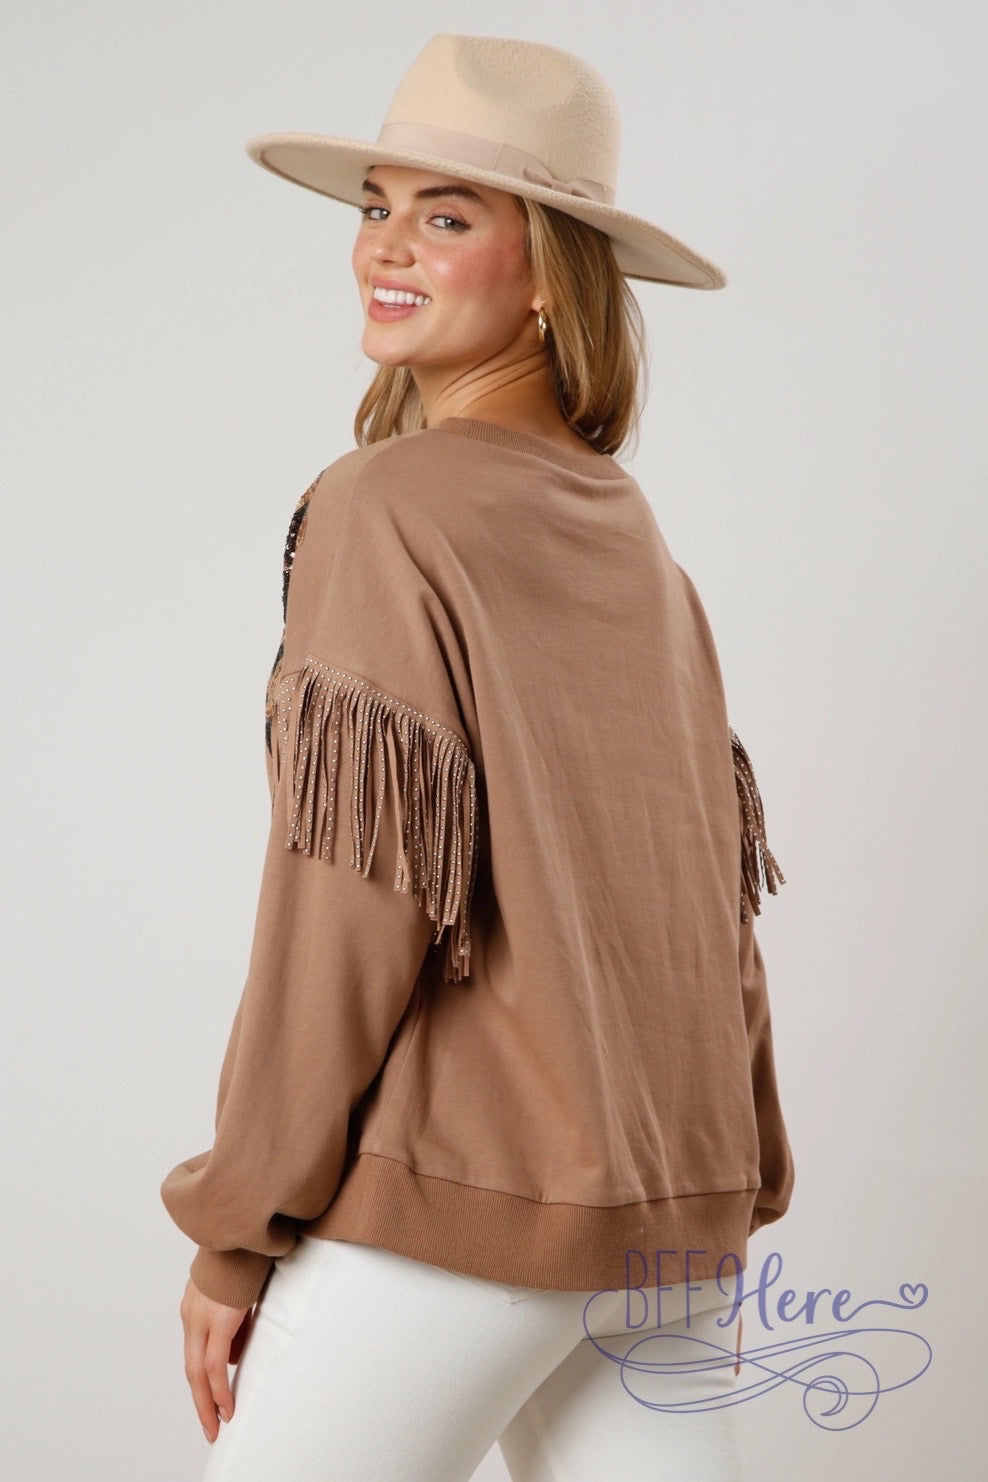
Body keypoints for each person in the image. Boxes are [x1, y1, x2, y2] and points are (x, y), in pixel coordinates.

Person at [160, 33, 795, 1482]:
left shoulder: (385, 506)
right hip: (670, 1225)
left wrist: (234, 1227)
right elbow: (710, 892)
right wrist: (739, 1170)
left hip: (462, 1217)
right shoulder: (629, 529)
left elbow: (345, 908)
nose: (385, 246)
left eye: (445, 216)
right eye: (376, 206)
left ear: (549, 271)